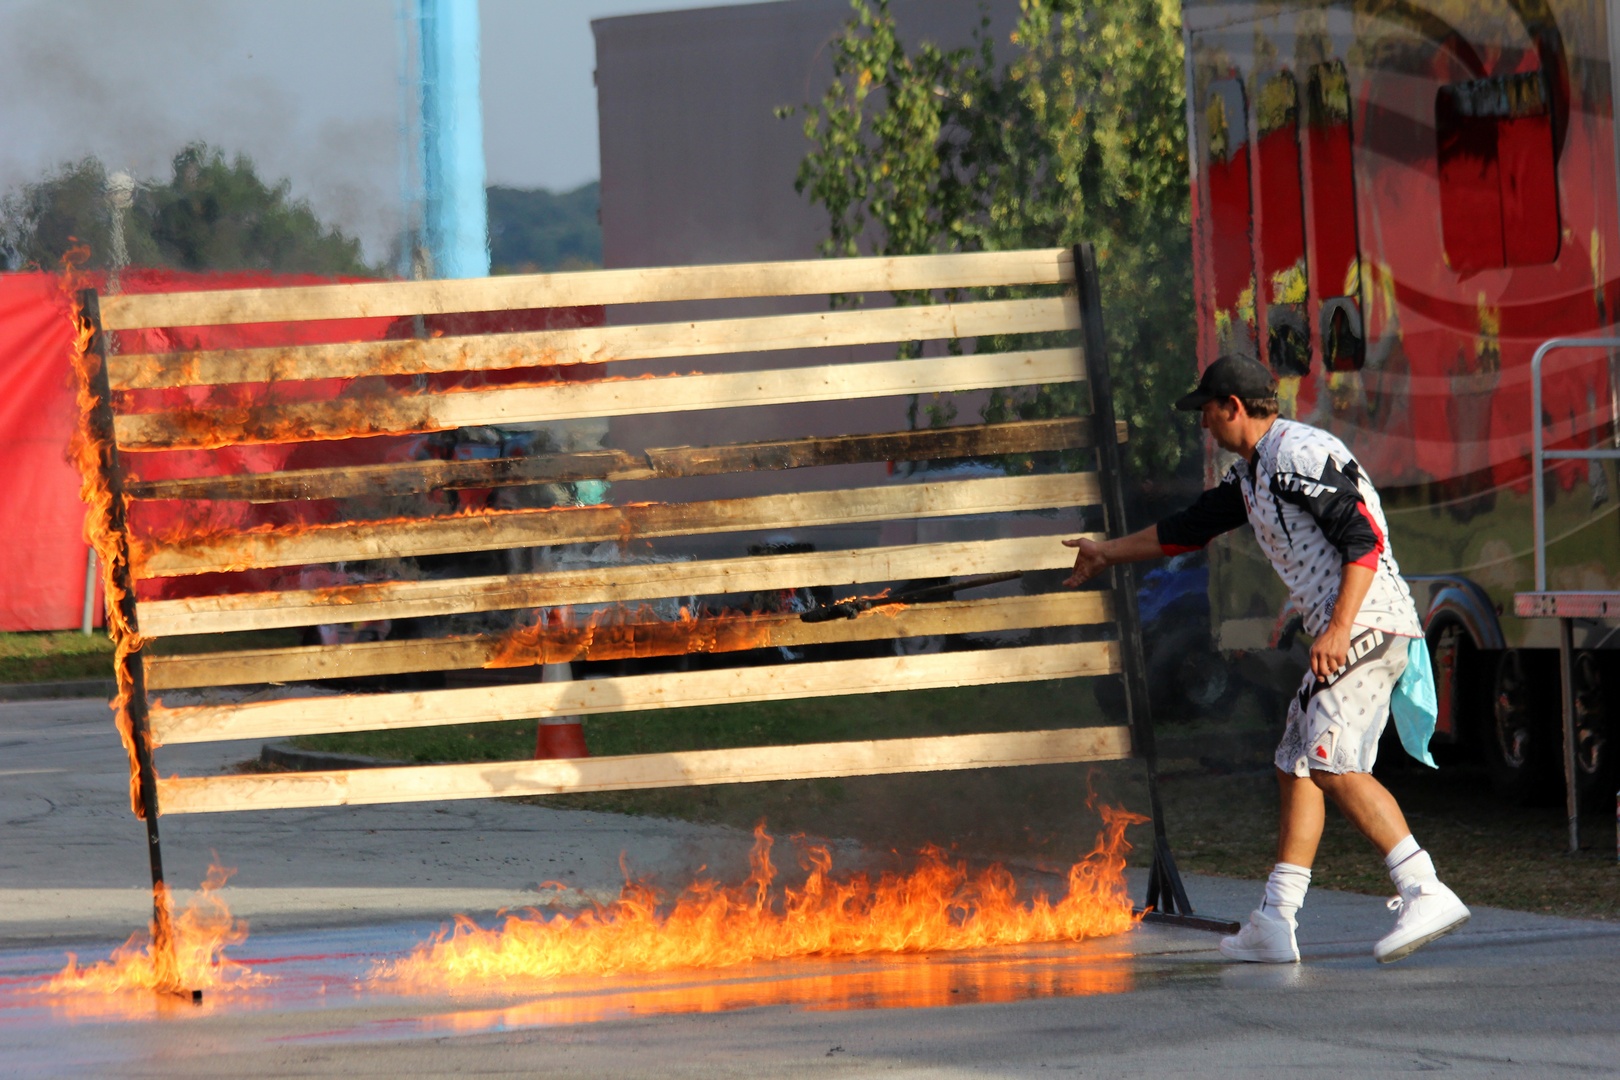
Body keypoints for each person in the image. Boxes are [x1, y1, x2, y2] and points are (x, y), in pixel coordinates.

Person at [1063, 354, 1469, 964]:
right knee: (1296, 761)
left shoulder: (1295, 455)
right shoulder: (1255, 471)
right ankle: (1276, 919)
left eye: (1205, 412)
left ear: (1232, 407)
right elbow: (1188, 527)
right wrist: (1105, 553)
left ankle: (1425, 888)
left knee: (1331, 762)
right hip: (1350, 626)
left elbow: (1364, 539)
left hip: (1366, 623)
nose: (1202, 424)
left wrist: (1335, 630)